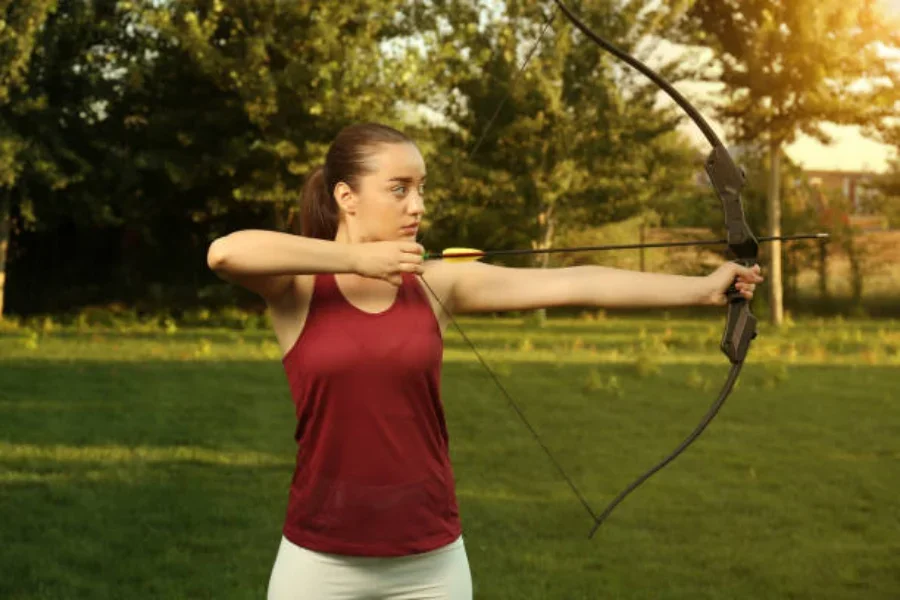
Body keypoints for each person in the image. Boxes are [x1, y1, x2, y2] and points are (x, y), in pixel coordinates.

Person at [206, 122, 763, 600]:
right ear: (347, 197)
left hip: (428, 562)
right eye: (399, 189)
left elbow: (576, 283)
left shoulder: (436, 284)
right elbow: (225, 252)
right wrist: (355, 259)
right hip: (318, 558)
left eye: (421, 188)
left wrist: (699, 289)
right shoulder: (298, 289)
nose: (418, 205)